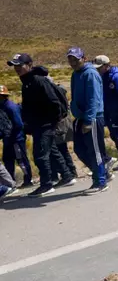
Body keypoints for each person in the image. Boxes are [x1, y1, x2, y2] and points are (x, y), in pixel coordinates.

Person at [8, 53, 74, 197]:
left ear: (29, 65)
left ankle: (46, 184)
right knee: (52, 150)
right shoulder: (26, 82)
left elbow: (54, 102)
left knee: (40, 155)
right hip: (38, 124)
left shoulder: (37, 80)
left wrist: (53, 122)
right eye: (15, 66)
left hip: (45, 124)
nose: (17, 68)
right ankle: (67, 175)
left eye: (20, 65)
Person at [68, 47, 109, 194]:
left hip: (92, 117)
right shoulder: (75, 74)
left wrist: (88, 120)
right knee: (79, 149)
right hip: (80, 117)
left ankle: (101, 181)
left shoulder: (90, 74)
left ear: (83, 58)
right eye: (71, 60)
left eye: (76, 59)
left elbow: (94, 99)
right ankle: (102, 173)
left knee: (94, 150)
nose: (73, 62)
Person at [0, 85, 33, 187]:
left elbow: (18, 124)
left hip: (16, 139)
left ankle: (28, 180)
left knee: (21, 161)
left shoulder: (11, 107)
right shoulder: (2, 107)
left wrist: (9, 135)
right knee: (8, 160)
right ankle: (11, 183)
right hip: (8, 140)